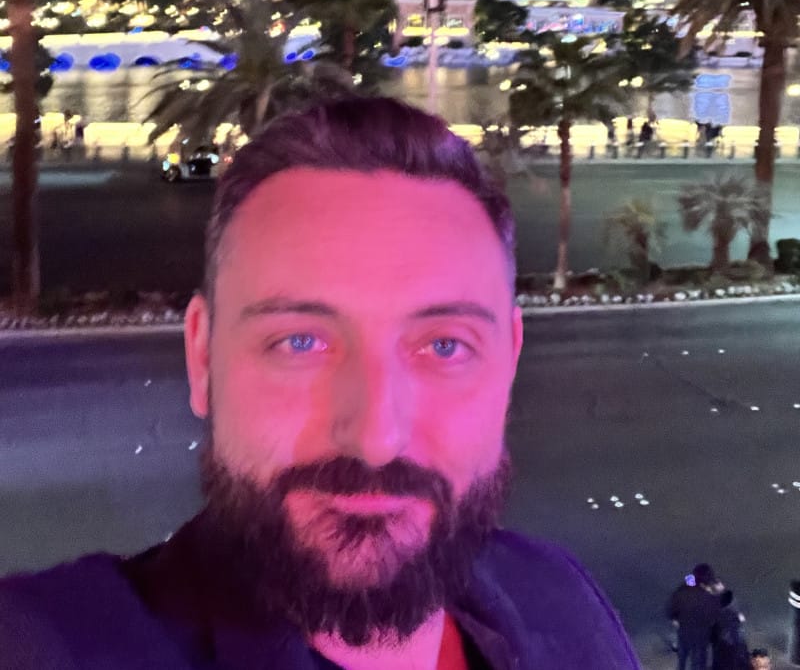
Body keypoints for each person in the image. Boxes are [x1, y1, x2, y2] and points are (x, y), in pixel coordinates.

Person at [0, 97, 641, 668]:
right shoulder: (50, 644)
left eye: (445, 346)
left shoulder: (563, 601)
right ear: (202, 358)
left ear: (509, 362)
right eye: (299, 342)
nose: (376, 441)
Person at [667, 563, 724, 670]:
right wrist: (718, 593)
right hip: (701, 636)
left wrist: (676, 620)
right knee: (698, 661)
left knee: (682, 658)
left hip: (684, 632)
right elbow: (716, 615)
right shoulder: (709, 598)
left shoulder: (682, 592)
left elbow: (672, 611)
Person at [711, 590, 750, 670]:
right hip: (737, 645)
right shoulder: (736, 613)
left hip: (724, 646)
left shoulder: (718, 614)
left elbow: (713, 634)